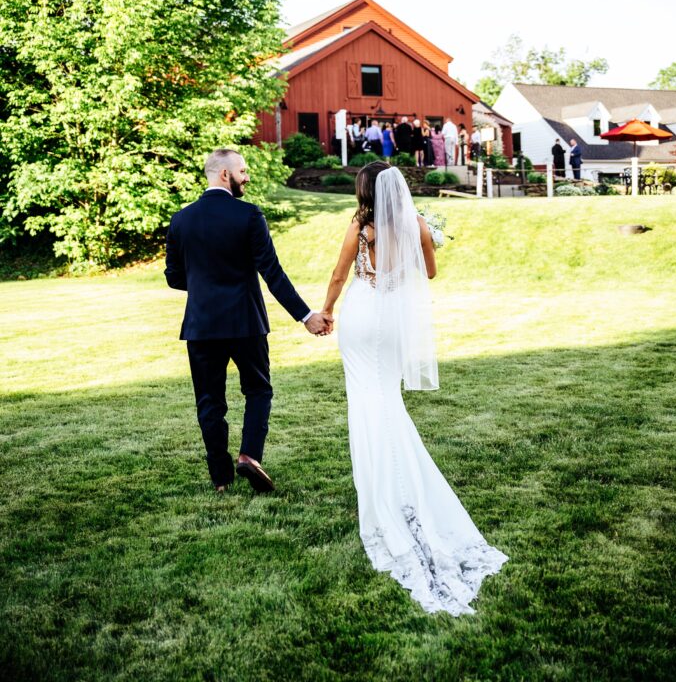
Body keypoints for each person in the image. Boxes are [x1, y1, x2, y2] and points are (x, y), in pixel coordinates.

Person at [320, 163, 507, 615]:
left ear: (366, 191)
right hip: (394, 324)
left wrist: (325, 310)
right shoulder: (418, 224)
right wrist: (421, 240)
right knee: (387, 399)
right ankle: (396, 480)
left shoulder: (361, 229)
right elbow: (431, 272)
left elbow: (339, 276)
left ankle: (382, 488)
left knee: (366, 401)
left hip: (362, 318)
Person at [165, 148, 331, 494]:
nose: (247, 177)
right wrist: (306, 316)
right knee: (258, 390)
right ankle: (249, 457)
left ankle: (221, 479)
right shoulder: (248, 215)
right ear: (225, 174)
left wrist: (203, 284)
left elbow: (174, 277)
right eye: (243, 171)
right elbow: (272, 272)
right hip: (246, 323)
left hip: (201, 326)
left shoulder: (181, 220)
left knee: (209, 401)